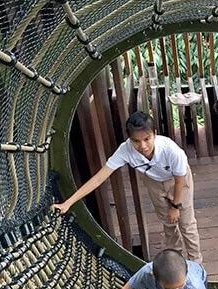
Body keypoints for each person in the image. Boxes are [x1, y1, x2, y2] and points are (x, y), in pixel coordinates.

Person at [52, 111, 202, 263]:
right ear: (130, 139)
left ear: (155, 134)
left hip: (177, 180)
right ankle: (174, 261)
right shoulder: (125, 150)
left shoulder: (171, 150)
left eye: (147, 139)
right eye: (136, 141)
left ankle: (196, 262)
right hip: (153, 182)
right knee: (168, 223)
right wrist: (68, 203)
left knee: (186, 223)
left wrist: (175, 206)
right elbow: (98, 179)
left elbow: (179, 181)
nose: (143, 146)